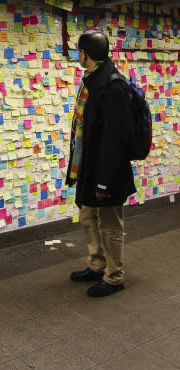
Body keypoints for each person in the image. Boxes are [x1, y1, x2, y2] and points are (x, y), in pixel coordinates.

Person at [65, 31, 137, 298]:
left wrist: (104, 181)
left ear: (85, 53)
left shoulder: (113, 85)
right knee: (87, 217)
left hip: (109, 170)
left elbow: (116, 140)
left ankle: (114, 276)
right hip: (89, 166)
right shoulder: (91, 81)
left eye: (79, 51)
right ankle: (97, 264)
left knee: (109, 224)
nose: (77, 55)